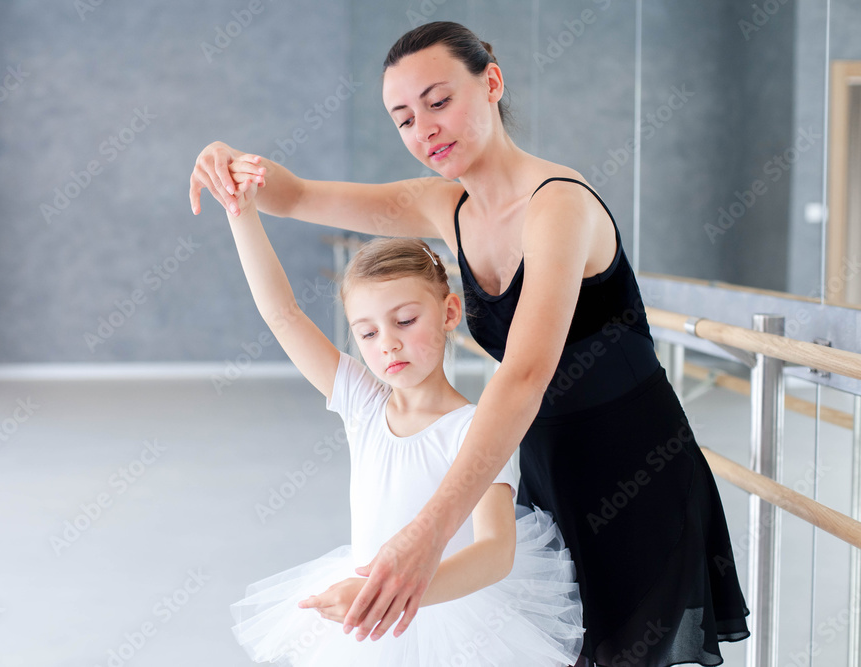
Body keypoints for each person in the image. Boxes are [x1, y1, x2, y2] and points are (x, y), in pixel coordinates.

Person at [192, 20, 749, 667]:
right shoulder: (442, 205)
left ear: (491, 82)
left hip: (631, 465)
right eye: (403, 117)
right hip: (539, 458)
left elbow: (524, 374)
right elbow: (294, 195)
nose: (423, 129)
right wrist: (226, 159)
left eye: (438, 101)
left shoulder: (557, 206)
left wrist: (424, 538)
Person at [222, 156, 585, 665]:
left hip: (451, 618)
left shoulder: (478, 429)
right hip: (367, 611)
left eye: (406, 320)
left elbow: (496, 553)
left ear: (449, 313)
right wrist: (241, 211)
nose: (388, 344)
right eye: (368, 333)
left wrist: (393, 596)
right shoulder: (362, 402)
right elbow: (282, 315)